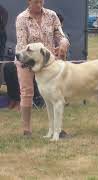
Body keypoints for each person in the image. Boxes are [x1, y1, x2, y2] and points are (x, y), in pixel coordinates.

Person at [15, 0, 69, 136]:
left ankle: (57, 129)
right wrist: (33, 63)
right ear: (28, 1)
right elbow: (22, 45)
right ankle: (27, 129)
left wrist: (63, 43)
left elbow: (60, 35)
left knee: (54, 95)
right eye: (35, 2)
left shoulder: (52, 15)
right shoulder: (21, 18)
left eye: (41, 1)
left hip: (48, 62)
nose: (39, 4)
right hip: (26, 60)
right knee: (27, 92)